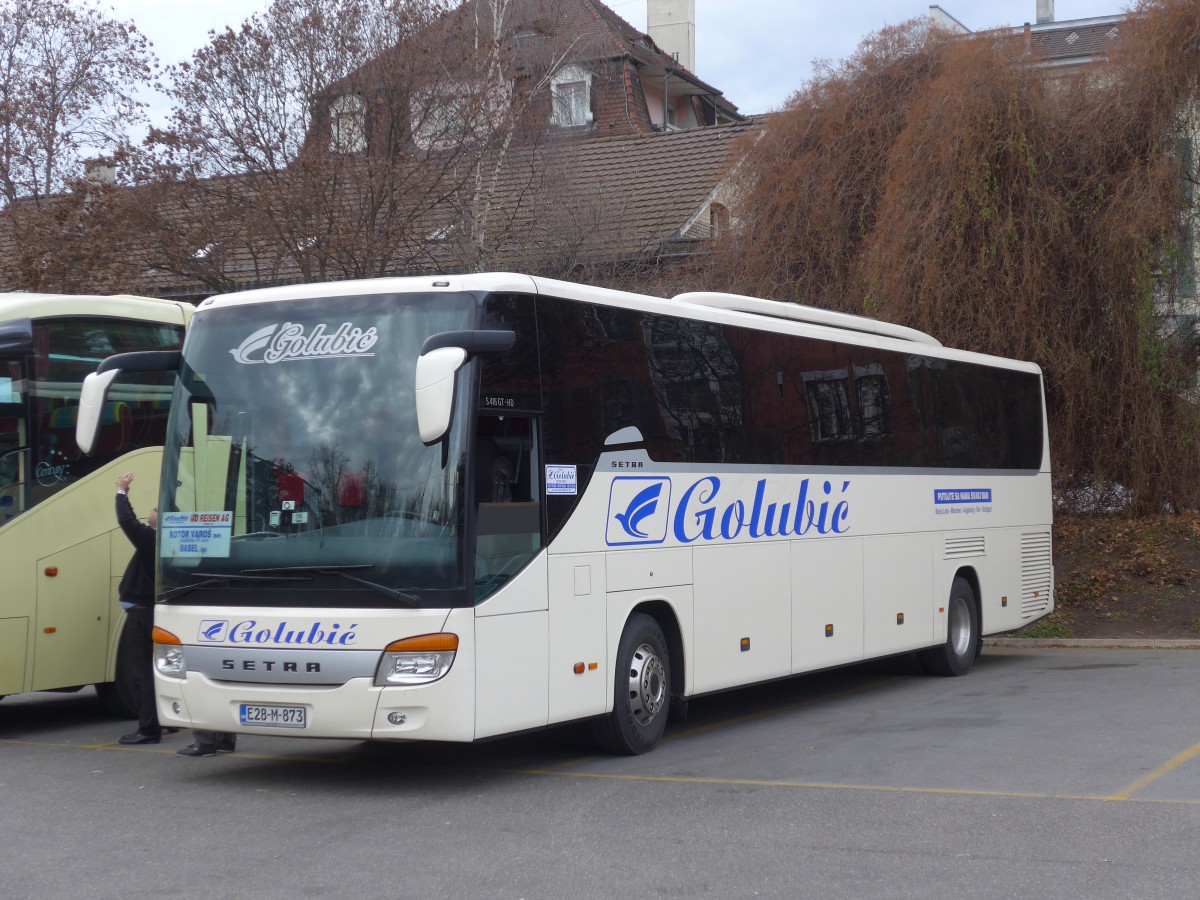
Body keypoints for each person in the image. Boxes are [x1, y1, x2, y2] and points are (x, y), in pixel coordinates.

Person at [115, 472, 170, 745]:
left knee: (143, 672)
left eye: (158, 508)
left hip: (141, 612)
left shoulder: (154, 541)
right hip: (153, 609)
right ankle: (164, 720)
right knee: (157, 669)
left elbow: (126, 521)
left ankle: (148, 729)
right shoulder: (167, 543)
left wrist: (121, 491)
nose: (153, 509)